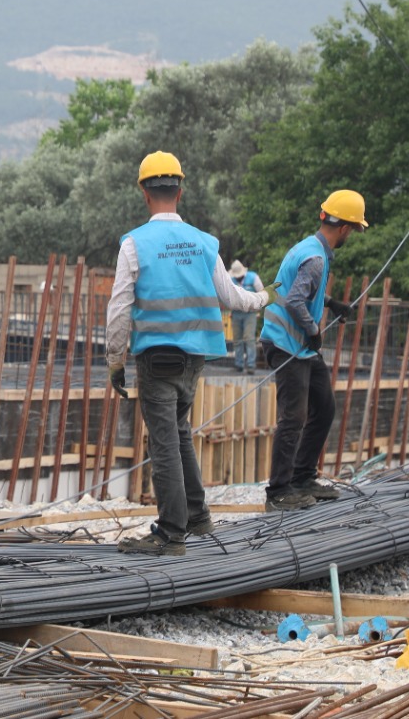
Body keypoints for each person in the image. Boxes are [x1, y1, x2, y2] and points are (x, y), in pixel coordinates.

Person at [106, 152, 269, 556]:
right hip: (195, 360)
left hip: (156, 360)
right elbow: (234, 298)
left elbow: (119, 310)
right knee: (179, 434)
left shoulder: (134, 244)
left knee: (163, 443)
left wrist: (115, 362)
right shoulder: (203, 242)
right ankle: (197, 516)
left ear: (144, 193)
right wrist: (268, 295)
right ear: (181, 190)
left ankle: (171, 533)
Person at [258, 189, 367, 512]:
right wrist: (314, 330)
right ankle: (278, 491)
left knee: (324, 407)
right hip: (286, 344)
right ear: (345, 228)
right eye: (354, 230)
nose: (353, 235)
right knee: (293, 417)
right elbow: (293, 301)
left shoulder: (310, 249)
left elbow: (301, 290)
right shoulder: (316, 259)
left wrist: (331, 304)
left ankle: (303, 476)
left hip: (299, 347)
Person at [228, 260, 262, 373]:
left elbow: (261, 293)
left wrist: (258, 308)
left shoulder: (253, 278)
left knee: (249, 338)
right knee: (237, 340)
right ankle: (239, 364)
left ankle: (251, 365)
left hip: (250, 313)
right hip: (236, 313)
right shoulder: (230, 279)